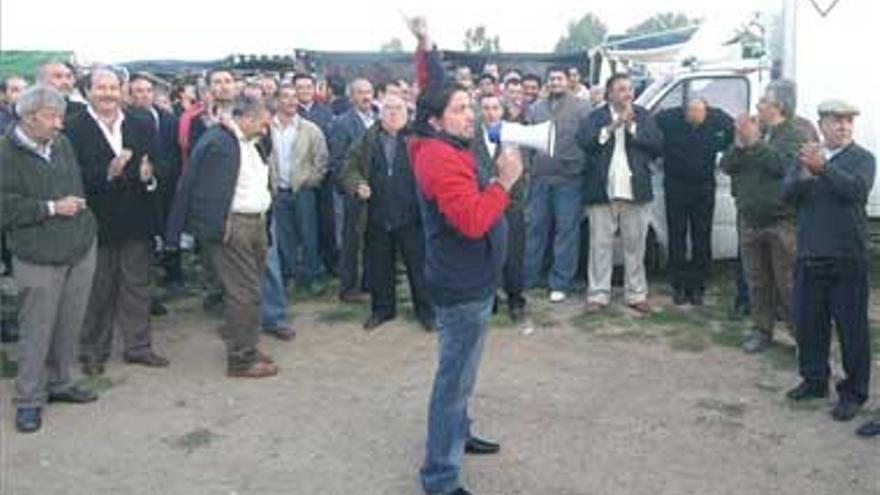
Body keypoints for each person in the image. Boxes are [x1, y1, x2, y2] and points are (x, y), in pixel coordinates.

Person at [408, 17, 523, 495]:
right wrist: (502, 183)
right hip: (461, 285)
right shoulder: (438, 157)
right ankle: (439, 477)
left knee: (461, 374)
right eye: (459, 109)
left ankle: (458, 433)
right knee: (452, 381)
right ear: (437, 119)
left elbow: (431, 85)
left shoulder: (446, 138)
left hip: (470, 279)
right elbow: (473, 220)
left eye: (468, 106)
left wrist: (425, 45)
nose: (469, 113)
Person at [1, 85, 100, 433]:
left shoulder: (62, 143)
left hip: (78, 246)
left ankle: (60, 383)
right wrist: (51, 208)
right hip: (37, 254)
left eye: (60, 116)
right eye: (52, 117)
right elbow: (4, 207)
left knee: (69, 323)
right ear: (28, 117)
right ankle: (29, 399)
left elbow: (75, 187)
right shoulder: (5, 152)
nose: (60, 124)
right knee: (36, 330)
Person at [64, 67, 169, 376]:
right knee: (98, 290)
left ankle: (139, 347)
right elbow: (71, 177)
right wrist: (107, 174)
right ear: (87, 91)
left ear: (122, 90)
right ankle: (93, 351)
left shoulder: (142, 122)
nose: (108, 93)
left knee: (137, 288)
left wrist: (150, 177)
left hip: (137, 221)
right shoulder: (74, 128)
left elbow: (162, 163)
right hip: (97, 224)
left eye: (113, 87)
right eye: (101, 88)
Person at [166, 95, 279, 378]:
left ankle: (246, 346)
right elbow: (199, 189)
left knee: (249, 291)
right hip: (234, 227)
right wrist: (217, 226)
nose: (266, 131)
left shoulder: (245, 141)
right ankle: (241, 359)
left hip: (254, 223)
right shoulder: (219, 142)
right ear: (247, 118)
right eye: (263, 125)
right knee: (244, 293)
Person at [781, 99, 876, 424]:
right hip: (810, 254)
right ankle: (814, 380)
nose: (844, 126)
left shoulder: (862, 158)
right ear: (822, 124)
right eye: (836, 121)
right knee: (810, 325)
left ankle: (853, 393)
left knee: (852, 331)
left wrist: (824, 168)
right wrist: (805, 176)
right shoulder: (806, 155)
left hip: (846, 258)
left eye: (848, 121)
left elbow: (855, 191)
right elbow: (786, 194)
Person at [720, 80, 804, 353]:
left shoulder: (794, 134)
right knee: (757, 282)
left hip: (780, 222)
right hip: (750, 220)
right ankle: (762, 329)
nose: (757, 106)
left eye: (763, 102)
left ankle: (803, 335)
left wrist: (755, 143)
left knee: (787, 284)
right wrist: (741, 143)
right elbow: (726, 166)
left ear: (778, 106)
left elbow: (783, 167)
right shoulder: (756, 134)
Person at [339, 94, 434, 331]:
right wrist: (357, 184)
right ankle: (382, 310)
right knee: (380, 266)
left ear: (407, 112)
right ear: (379, 113)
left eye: (398, 108)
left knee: (419, 266)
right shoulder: (368, 138)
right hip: (377, 213)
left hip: (412, 215)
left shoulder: (418, 138)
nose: (393, 113)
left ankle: (426, 312)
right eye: (388, 109)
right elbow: (348, 168)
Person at [581, 73, 663, 313]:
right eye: (621, 89)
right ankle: (598, 294)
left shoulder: (644, 115)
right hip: (602, 191)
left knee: (635, 246)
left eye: (629, 89)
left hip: (635, 190)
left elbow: (656, 145)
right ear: (610, 93)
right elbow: (584, 142)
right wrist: (612, 126)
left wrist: (632, 126)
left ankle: (636, 294)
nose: (628, 94)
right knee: (599, 245)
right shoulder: (596, 116)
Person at [656, 98, 734, 305]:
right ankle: (679, 285)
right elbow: (651, 126)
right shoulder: (670, 119)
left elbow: (733, 130)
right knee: (677, 234)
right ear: (685, 111)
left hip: (704, 186)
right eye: (691, 111)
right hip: (676, 186)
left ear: (706, 112)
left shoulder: (716, 119)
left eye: (700, 112)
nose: (695, 115)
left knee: (702, 235)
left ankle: (699, 285)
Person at [524, 65, 592, 302]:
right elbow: (528, 143)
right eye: (551, 79)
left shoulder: (583, 107)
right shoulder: (535, 109)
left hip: (569, 179)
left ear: (568, 81)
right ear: (547, 83)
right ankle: (528, 278)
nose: (555, 83)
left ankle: (560, 282)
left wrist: (579, 164)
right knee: (535, 229)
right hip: (540, 178)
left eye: (559, 79)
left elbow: (589, 141)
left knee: (566, 231)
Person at [268, 83, 329, 294]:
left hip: (303, 190)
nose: (292, 100)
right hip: (277, 191)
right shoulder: (267, 128)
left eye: (294, 97)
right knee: (284, 236)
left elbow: (321, 161)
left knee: (309, 234)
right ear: (276, 101)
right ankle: (290, 275)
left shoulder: (311, 130)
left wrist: (310, 181)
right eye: (286, 96)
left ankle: (312, 276)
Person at [475, 94, 529, 321]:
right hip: (481, 204)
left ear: (502, 111)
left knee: (513, 254)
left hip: (510, 203)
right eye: (485, 108)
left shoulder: (513, 136)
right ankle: (490, 300)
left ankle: (515, 300)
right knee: (484, 255)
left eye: (495, 108)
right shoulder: (471, 136)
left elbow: (522, 168)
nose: (490, 112)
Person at [128, 72, 184, 290]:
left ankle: (174, 275)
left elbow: (176, 152)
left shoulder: (169, 119)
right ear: (130, 94)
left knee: (172, 229)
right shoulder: (126, 119)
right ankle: (147, 281)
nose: (144, 95)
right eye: (138, 91)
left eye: (148, 90)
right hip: (141, 187)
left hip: (168, 184)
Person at [329, 78, 376, 303]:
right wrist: (353, 186)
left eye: (368, 92)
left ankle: (368, 282)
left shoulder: (378, 119)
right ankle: (348, 288)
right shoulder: (342, 124)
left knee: (373, 240)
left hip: (379, 192)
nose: (366, 97)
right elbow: (337, 162)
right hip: (354, 191)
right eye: (360, 93)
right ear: (351, 96)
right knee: (352, 241)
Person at [294, 72, 337, 280]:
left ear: (315, 89)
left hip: (326, 176)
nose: (304, 91)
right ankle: (312, 268)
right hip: (302, 178)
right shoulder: (290, 115)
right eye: (300, 87)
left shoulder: (326, 112)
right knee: (307, 224)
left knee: (328, 221)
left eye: (308, 87)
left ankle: (331, 263)